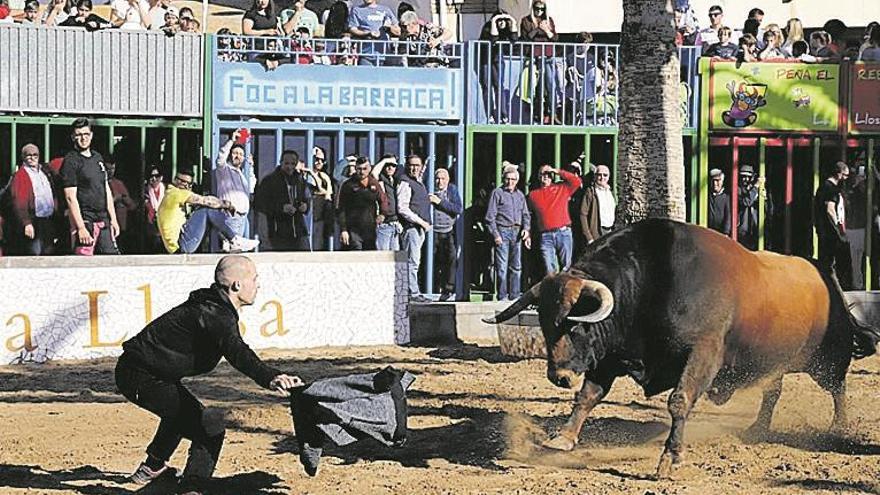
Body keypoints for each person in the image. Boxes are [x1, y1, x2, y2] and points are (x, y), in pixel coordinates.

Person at [115, 255, 302, 495]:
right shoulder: (217, 314)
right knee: (209, 426)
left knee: (183, 412)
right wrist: (271, 377)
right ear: (236, 285)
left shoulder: (213, 305)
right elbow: (238, 353)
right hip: (140, 375)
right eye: (254, 279)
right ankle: (194, 487)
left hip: (145, 372)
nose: (258, 285)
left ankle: (152, 468)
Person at [157, 169, 259, 254]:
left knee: (205, 212)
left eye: (189, 184)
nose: (186, 186)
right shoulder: (176, 193)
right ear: (175, 180)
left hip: (176, 246)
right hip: (181, 246)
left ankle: (227, 241)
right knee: (206, 210)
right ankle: (234, 240)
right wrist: (226, 204)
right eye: (183, 182)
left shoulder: (170, 194)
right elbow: (206, 201)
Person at [61, 118, 120, 255]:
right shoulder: (71, 161)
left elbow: (106, 189)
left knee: (111, 259)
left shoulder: (97, 158)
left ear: (91, 135)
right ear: (73, 137)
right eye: (79, 135)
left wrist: (114, 220)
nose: (83, 138)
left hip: (104, 220)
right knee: (83, 262)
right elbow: (70, 197)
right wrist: (80, 227)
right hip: (86, 220)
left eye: (86, 134)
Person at [485, 166, 530, 301]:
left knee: (516, 266)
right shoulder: (497, 193)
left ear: (517, 181)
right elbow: (490, 217)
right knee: (502, 267)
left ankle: (515, 296)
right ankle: (502, 296)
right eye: (508, 179)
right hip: (502, 231)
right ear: (503, 179)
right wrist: (495, 234)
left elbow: (526, 214)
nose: (510, 182)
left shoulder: (520, 195)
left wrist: (526, 229)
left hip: (517, 232)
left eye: (513, 179)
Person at [253, 150, 312, 251]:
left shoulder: (300, 180)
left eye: (293, 164)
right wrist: (281, 208)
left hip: (299, 230)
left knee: (304, 261)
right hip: (278, 231)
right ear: (280, 162)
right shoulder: (269, 180)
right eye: (286, 163)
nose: (289, 167)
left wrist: (305, 206)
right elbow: (259, 204)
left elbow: (307, 198)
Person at [528, 164, 581, 275]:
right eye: (543, 174)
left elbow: (576, 181)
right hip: (545, 235)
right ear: (538, 177)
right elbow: (527, 214)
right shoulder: (533, 195)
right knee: (549, 269)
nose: (546, 176)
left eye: (548, 174)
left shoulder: (562, 188)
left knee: (566, 267)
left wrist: (556, 171)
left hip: (563, 232)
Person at [7, 144, 58, 255]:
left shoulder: (45, 172)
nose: (32, 157)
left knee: (49, 253)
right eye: (28, 155)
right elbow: (19, 202)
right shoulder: (20, 176)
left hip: (48, 221)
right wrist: (26, 223)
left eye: (35, 155)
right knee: (35, 254)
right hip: (34, 222)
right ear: (23, 157)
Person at [397, 155, 432, 302]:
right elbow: (402, 208)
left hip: (419, 229)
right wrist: (421, 222)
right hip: (412, 228)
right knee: (412, 262)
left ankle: (413, 292)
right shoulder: (405, 182)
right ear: (407, 166)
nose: (414, 168)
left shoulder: (418, 181)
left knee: (415, 261)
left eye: (418, 165)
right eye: (411, 165)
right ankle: (413, 293)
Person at [814, 161, 853, 290]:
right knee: (829, 260)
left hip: (824, 229)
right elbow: (830, 209)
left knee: (827, 259)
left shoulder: (824, 187)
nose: (846, 178)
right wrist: (838, 228)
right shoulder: (829, 188)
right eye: (845, 175)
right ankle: (830, 286)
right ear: (839, 174)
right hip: (829, 230)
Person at [336, 156, 387, 251]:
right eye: (359, 169)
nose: (362, 172)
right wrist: (344, 230)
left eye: (365, 169)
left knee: (370, 256)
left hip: (370, 229)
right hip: (353, 229)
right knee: (356, 255)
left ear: (370, 169)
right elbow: (341, 208)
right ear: (355, 169)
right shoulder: (348, 185)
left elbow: (383, 199)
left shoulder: (374, 183)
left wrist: (382, 214)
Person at [213, 130, 255, 241]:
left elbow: (251, 187)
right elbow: (220, 159)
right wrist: (231, 140)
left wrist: (250, 168)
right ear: (230, 155)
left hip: (243, 218)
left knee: (238, 251)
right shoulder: (224, 170)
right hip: (230, 216)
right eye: (235, 153)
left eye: (241, 154)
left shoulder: (242, 174)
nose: (238, 156)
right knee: (232, 249)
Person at [430, 168, 462, 301]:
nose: (440, 181)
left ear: (448, 180)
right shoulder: (429, 189)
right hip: (432, 232)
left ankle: (448, 289)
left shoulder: (452, 190)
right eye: (437, 178)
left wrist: (439, 202)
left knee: (451, 259)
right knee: (434, 261)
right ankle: (433, 288)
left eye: (443, 179)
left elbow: (457, 208)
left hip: (449, 231)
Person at [347, 0, 400, 66]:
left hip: (384, 55)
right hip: (365, 54)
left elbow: (398, 31)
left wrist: (388, 27)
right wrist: (367, 33)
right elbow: (352, 29)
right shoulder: (356, 10)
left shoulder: (386, 10)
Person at [106, 156, 138, 253]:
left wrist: (123, 198)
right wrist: (114, 199)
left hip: (121, 224)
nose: (110, 172)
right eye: (108, 169)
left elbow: (132, 205)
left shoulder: (119, 184)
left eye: (112, 169)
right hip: (105, 224)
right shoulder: (98, 183)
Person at [736, 164, 772, 251]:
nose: (746, 179)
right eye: (743, 177)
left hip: (757, 229)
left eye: (748, 177)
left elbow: (769, 210)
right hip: (743, 231)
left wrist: (765, 199)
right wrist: (755, 187)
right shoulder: (737, 190)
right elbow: (746, 202)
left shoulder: (758, 189)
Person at [579, 164, 615, 246]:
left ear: (608, 177)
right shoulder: (590, 192)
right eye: (599, 175)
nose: (602, 177)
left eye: (605, 175)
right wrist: (589, 237)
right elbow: (583, 214)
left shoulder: (610, 192)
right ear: (595, 176)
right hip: (597, 232)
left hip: (610, 231)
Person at [371, 154, 402, 251]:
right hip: (384, 224)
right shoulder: (381, 179)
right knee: (383, 257)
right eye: (387, 165)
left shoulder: (395, 180)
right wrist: (385, 160)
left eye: (393, 165)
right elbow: (373, 173)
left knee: (395, 259)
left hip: (395, 224)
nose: (390, 167)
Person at [144, 166, 165, 253]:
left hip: (164, 226)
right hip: (150, 227)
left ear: (161, 177)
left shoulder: (167, 190)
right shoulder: (144, 191)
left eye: (157, 176)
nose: (154, 178)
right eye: (151, 176)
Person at [707, 168, 731, 236]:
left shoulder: (726, 197)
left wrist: (726, 232)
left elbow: (728, 215)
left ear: (722, 181)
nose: (715, 183)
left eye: (717, 180)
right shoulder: (707, 195)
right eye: (713, 180)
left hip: (721, 232)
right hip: (708, 230)